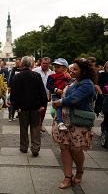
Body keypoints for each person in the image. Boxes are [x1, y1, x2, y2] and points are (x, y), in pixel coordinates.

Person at [52, 58, 96, 189]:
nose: (72, 71)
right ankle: (67, 176)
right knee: (64, 147)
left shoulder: (87, 83)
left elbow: (74, 99)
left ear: (84, 71)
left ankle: (80, 171)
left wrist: (59, 102)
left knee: (76, 149)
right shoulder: (73, 81)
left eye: (75, 69)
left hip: (78, 121)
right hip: (65, 120)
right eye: (71, 69)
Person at [10, 56, 48, 157]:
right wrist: (43, 105)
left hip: (22, 108)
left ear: (22, 64)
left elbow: (14, 93)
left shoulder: (17, 76)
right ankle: (35, 148)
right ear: (31, 65)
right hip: (35, 107)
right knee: (35, 128)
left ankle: (24, 147)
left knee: (23, 128)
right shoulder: (36, 75)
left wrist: (15, 106)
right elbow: (42, 92)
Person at [46, 58, 71, 130]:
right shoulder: (51, 76)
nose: (56, 69)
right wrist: (56, 89)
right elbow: (49, 85)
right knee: (59, 106)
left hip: (66, 95)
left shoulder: (67, 76)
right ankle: (60, 122)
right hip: (56, 95)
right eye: (55, 67)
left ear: (65, 68)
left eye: (58, 67)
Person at [33, 57, 54, 132]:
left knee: (43, 112)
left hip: (46, 95)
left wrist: (50, 95)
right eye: (43, 63)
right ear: (41, 63)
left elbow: (52, 85)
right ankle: (36, 126)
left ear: (49, 64)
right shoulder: (35, 71)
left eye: (47, 63)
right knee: (37, 111)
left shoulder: (51, 72)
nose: (45, 65)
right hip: (37, 95)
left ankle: (40, 125)